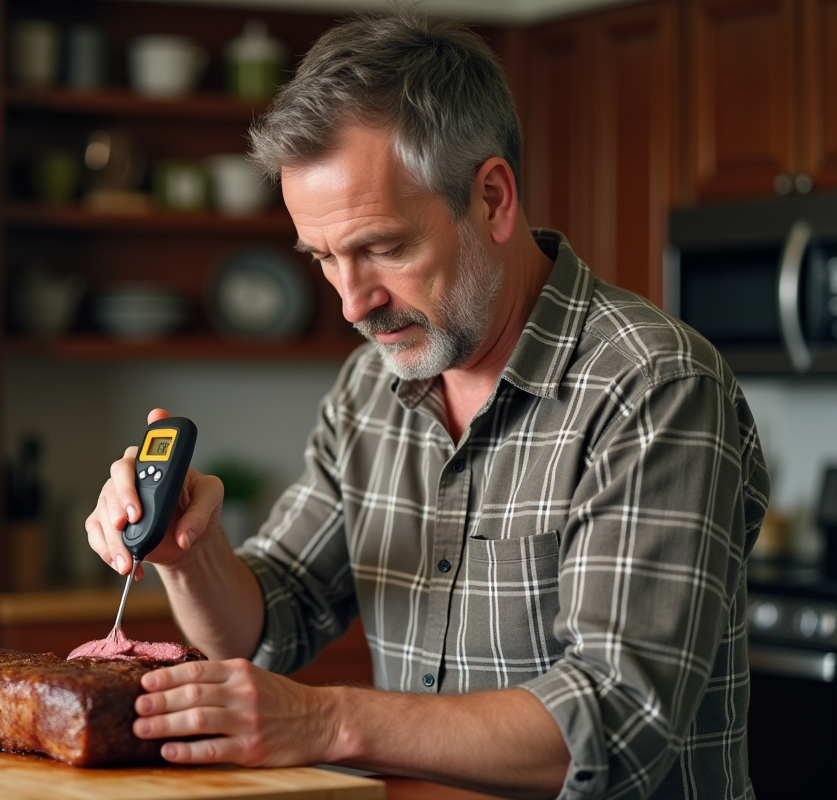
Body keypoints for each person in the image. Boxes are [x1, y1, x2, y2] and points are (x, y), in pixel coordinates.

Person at [85, 10, 768, 800]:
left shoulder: (655, 387)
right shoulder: (369, 385)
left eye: (382, 247)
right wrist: (187, 551)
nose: (352, 303)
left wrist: (325, 721)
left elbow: (615, 723)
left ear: (492, 198)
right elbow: (271, 624)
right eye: (324, 259)